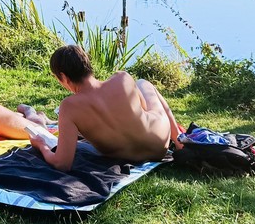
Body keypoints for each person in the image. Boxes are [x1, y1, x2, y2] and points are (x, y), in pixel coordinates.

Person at [28, 45, 183, 171]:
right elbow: (142, 110)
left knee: (142, 83)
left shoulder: (69, 107)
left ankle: (179, 141)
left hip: (127, 156)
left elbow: (62, 164)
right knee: (142, 83)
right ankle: (179, 141)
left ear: (64, 77)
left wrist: (41, 146)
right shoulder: (122, 78)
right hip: (159, 145)